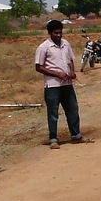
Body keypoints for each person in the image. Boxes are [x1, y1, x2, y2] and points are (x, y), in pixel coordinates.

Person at [35, 20, 91, 150]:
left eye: (60, 32)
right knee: (53, 113)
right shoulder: (43, 47)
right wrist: (56, 74)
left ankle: (76, 135)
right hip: (52, 86)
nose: (59, 35)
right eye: (56, 33)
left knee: (73, 110)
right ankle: (53, 139)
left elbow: (70, 59)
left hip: (67, 84)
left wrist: (72, 71)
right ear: (49, 33)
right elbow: (38, 67)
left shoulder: (66, 44)